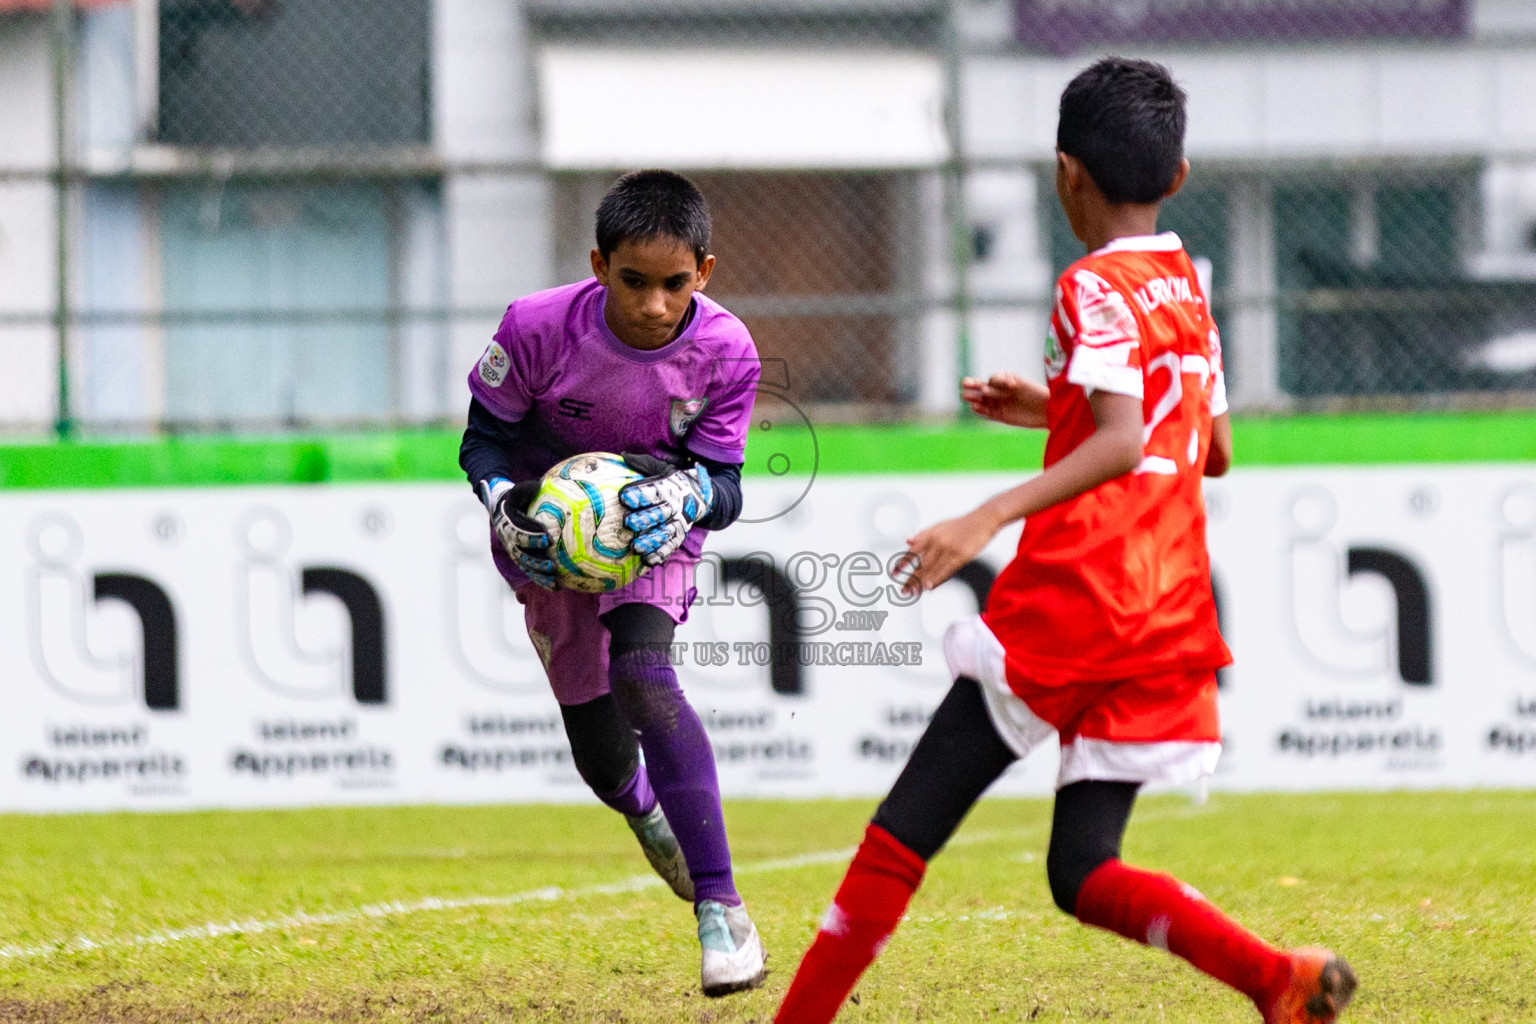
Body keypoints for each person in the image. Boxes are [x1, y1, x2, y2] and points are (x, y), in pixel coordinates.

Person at [772, 58, 1357, 1024]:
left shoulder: (1091, 285)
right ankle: (1277, 980)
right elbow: (1206, 448)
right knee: (1082, 870)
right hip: (1165, 609)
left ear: (1064, 173)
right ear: (1177, 177)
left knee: (904, 830)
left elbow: (1128, 440)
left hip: (1080, 596)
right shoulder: (1185, 284)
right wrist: (1057, 409)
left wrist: (989, 513)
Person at [458, 169, 767, 997]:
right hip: (550, 543)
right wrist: (502, 504)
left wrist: (691, 491)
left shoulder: (729, 350)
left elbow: (727, 484)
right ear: (600, 264)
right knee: (601, 759)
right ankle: (643, 809)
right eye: (635, 282)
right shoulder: (533, 328)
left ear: (704, 272)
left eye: (675, 284)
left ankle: (722, 910)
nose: (655, 304)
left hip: (652, 527)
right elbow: (481, 441)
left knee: (643, 673)